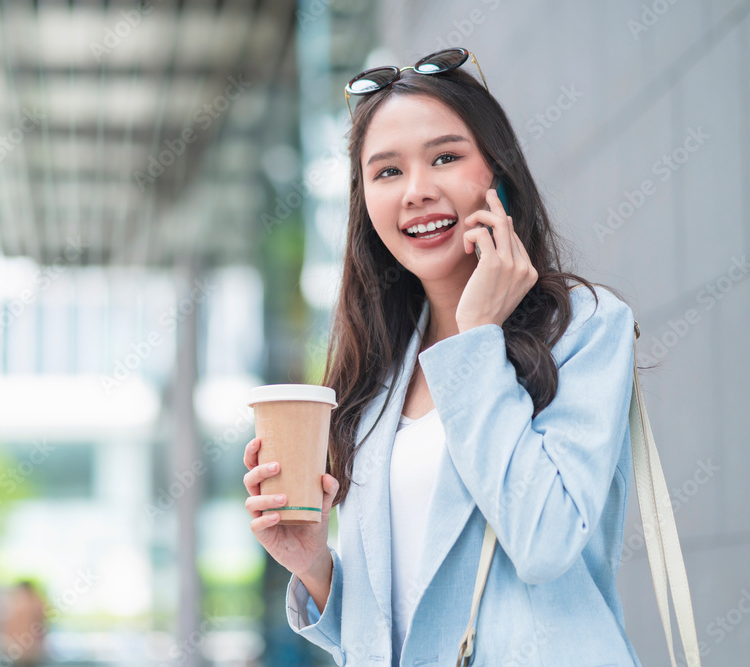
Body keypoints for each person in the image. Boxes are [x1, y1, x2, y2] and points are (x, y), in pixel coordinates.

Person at [243, 48, 643, 666]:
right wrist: (315, 564)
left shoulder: (585, 327)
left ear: (498, 176)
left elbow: (544, 540)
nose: (417, 192)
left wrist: (476, 339)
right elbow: (399, 623)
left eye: (446, 158)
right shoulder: (376, 371)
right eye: (386, 172)